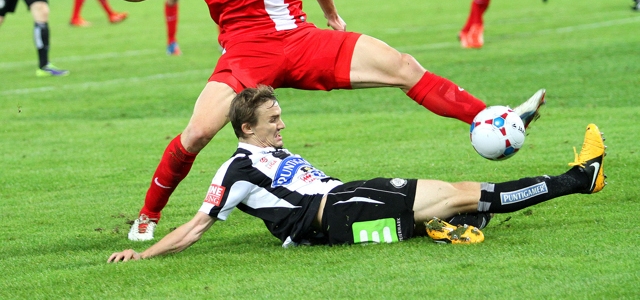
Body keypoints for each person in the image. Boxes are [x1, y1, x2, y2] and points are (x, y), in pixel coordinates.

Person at [97, 0, 546, 242]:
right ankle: (148, 216)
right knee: (196, 134)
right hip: (246, 54)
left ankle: (495, 119)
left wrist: (330, 15)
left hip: (303, 40)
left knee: (404, 65)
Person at [107, 86, 607, 262]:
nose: (282, 124)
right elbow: (197, 225)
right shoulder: (237, 167)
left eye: (281, 116)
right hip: (331, 213)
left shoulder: (269, 152)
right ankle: (581, 178)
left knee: (463, 203)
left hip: (345, 204)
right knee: (465, 193)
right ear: (246, 128)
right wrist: (144, 253)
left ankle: (444, 227)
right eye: (273, 120)